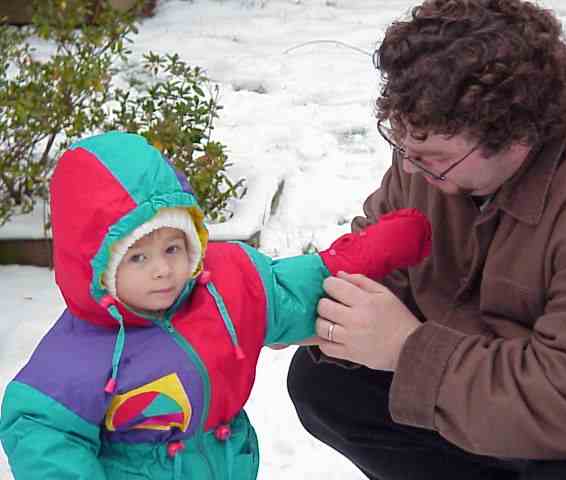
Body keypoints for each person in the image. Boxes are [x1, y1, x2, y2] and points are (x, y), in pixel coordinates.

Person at [287, 1, 566, 479]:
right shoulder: (442, 121)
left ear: (517, 139)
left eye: (430, 157)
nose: (409, 168)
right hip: (495, 362)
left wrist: (406, 350)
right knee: (327, 382)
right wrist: (303, 303)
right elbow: (384, 247)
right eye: (402, 146)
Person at [0, 131, 433, 479]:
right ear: (95, 265)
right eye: (138, 258)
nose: (162, 271)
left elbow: (293, 291)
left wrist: (371, 252)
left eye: (173, 247)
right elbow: (40, 430)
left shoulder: (223, 285)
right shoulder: (79, 352)